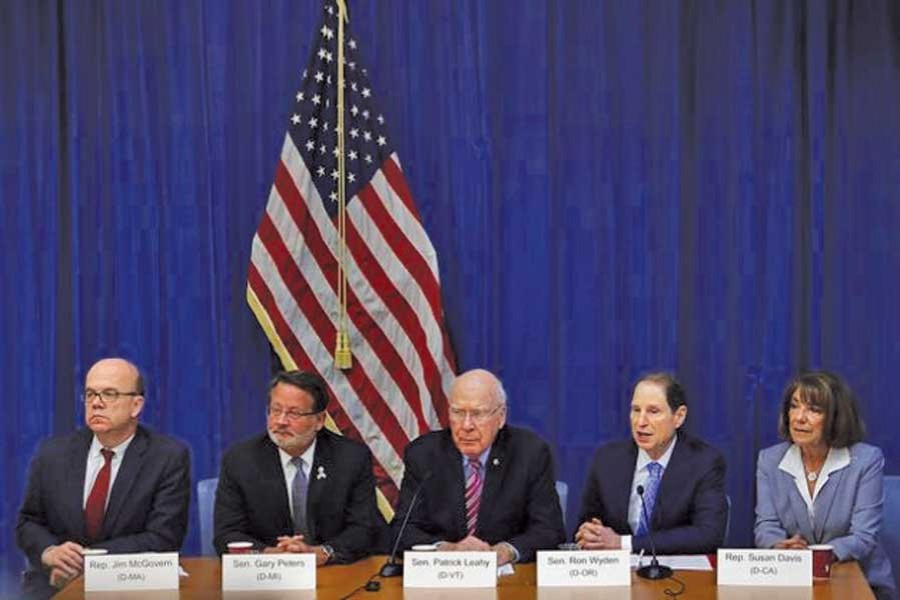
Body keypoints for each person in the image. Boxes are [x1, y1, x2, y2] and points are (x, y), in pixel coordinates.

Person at [16, 358, 191, 599]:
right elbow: (28, 522)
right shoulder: (52, 454)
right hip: (54, 583)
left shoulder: (167, 457)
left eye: (109, 394)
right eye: (90, 394)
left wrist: (84, 564)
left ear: (136, 405)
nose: (96, 403)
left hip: (128, 584)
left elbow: (163, 537)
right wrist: (50, 552)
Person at [391, 369, 565, 565]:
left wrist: (505, 551)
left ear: (501, 416)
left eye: (478, 413)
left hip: (508, 580)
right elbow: (402, 531)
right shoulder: (424, 454)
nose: (466, 425)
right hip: (444, 576)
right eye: (457, 412)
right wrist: (447, 549)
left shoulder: (529, 453)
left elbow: (550, 530)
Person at [755, 371, 895, 599]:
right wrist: (780, 547)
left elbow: (863, 536)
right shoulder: (769, 460)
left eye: (814, 410)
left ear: (835, 417)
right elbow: (766, 526)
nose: (799, 417)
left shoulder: (866, 460)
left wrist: (812, 556)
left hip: (858, 579)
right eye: (794, 406)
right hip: (793, 581)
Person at [214, 370, 378, 564]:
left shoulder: (351, 458)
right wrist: (269, 555)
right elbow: (227, 533)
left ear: (319, 420)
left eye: (293, 413)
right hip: (267, 574)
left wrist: (322, 553)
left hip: (332, 571)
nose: (281, 421)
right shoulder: (240, 460)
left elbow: (363, 529)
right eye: (275, 410)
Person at [575, 372, 727, 554]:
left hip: (677, 573)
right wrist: (591, 534)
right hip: (616, 572)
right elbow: (587, 521)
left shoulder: (704, 462)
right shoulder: (607, 460)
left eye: (653, 412)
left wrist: (623, 543)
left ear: (679, 416)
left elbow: (707, 534)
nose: (641, 422)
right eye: (636, 410)